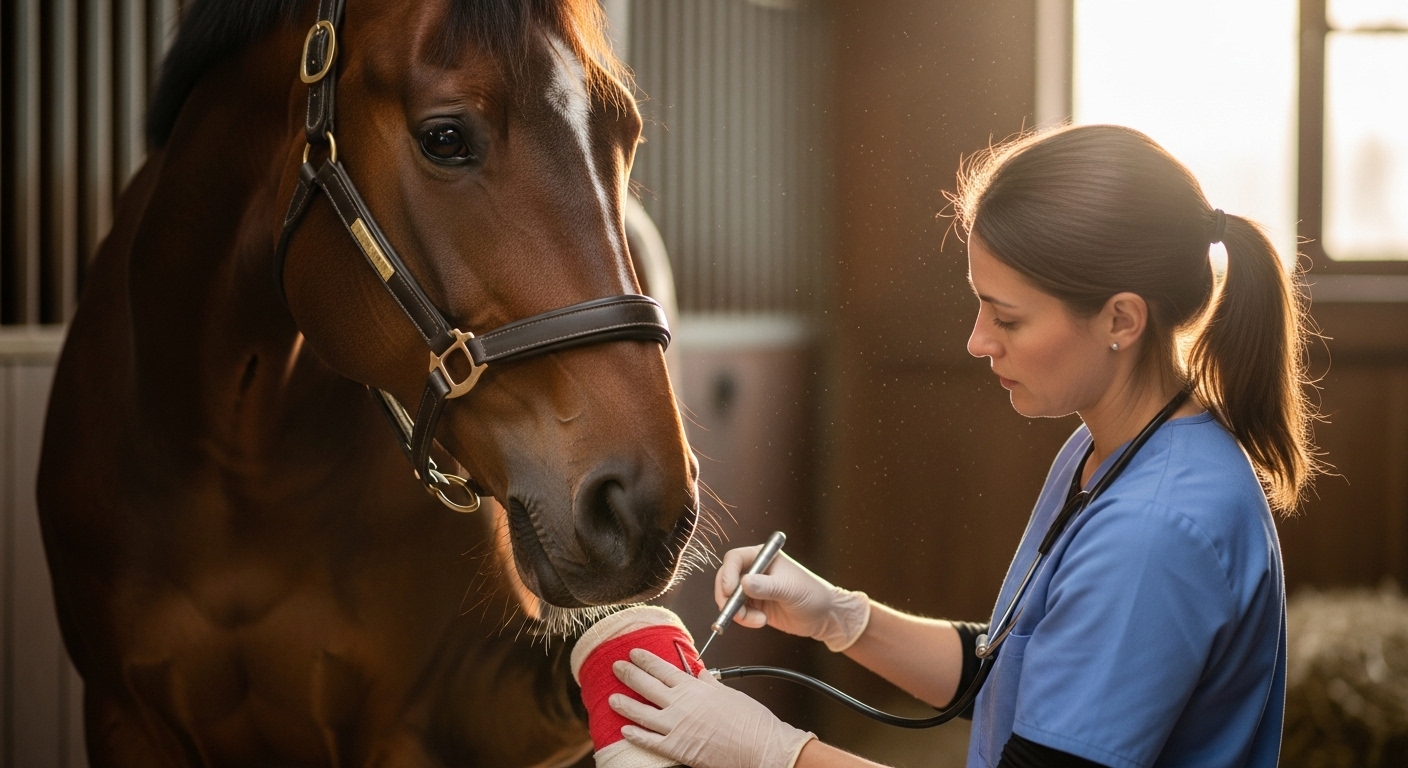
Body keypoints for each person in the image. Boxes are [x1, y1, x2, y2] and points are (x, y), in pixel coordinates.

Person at [607, 124, 1315, 768]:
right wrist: (841, 617)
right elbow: (1025, 675)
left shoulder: (1159, 530)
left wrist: (774, 752)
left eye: (1007, 317)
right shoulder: (1107, 447)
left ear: (1120, 319)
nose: (977, 341)